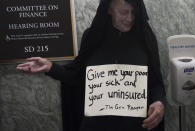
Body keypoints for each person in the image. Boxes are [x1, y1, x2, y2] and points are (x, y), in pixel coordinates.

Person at [17, 0, 166, 131]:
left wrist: (159, 102)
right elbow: (77, 76)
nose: (130, 18)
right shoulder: (93, 36)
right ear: (109, 9)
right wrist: (50, 67)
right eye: (123, 12)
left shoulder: (145, 37)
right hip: (97, 125)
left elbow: (155, 82)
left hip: (136, 125)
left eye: (134, 13)